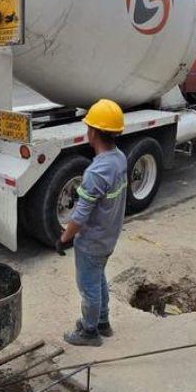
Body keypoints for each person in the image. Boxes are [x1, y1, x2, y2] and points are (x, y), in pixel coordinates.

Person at [57, 98, 128, 347]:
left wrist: (64, 238)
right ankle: (102, 322)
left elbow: (79, 216)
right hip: (109, 236)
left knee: (88, 286)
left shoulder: (96, 172)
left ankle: (89, 333)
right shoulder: (119, 158)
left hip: (92, 240)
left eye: (89, 127)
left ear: (94, 132)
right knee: (98, 279)